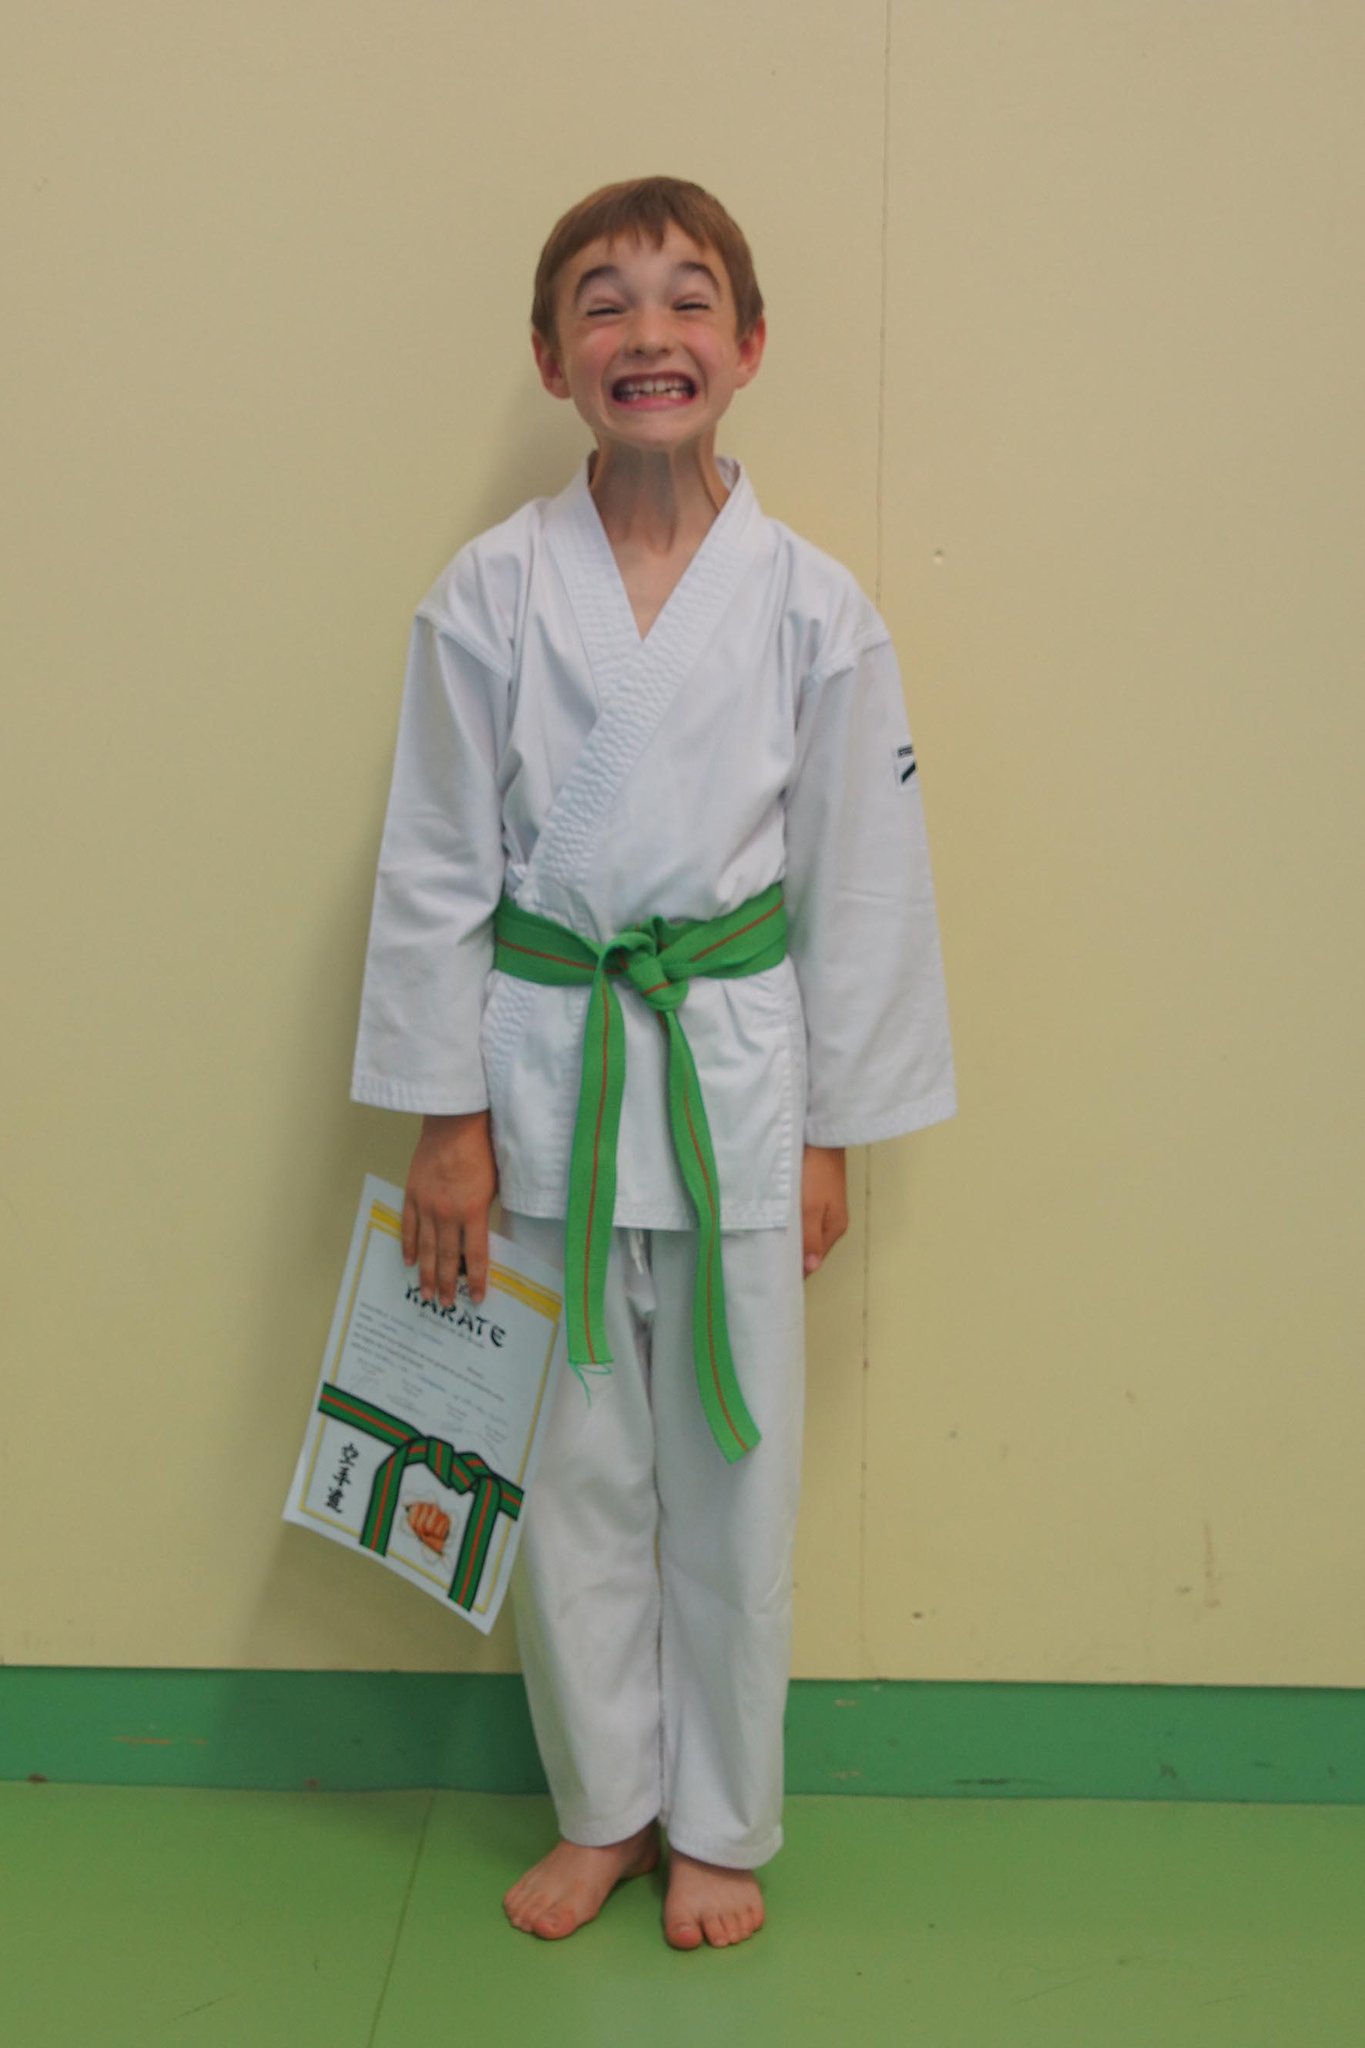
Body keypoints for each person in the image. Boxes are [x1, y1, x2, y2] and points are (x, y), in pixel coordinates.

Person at [351, 175, 956, 1950]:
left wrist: (830, 1132)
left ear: (746, 346)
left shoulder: (811, 606)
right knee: (568, 1472)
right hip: (543, 1062)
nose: (649, 333)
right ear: (552, 358)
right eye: (603, 303)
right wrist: (446, 1120)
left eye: (689, 299)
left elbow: (859, 879)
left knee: (732, 1472)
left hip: (730, 1081)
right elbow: (435, 863)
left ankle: (720, 1821)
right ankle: (605, 1807)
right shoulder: (487, 592)